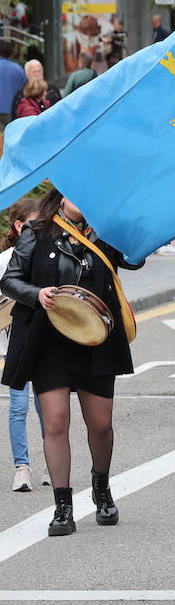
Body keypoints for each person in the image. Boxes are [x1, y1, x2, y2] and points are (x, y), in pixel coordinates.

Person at [3, 189, 141, 534]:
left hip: (97, 339)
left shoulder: (106, 232)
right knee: (55, 423)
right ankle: (62, 507)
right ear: (62, 198)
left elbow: (135, 259)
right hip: (49, 341)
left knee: (101, 425)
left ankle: (101, 487)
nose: (86, 200)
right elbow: (10, 279)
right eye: (78, 194)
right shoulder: (37, 231)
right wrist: (37, 293)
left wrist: (133, 226)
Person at [3, 197, 44, 492]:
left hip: (43, 342)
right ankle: (22, 468)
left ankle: (53, 464)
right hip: (14, 345)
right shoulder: (5, 261)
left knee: (48, 406)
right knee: (18, 407)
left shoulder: (46, 252)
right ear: (20, 225)